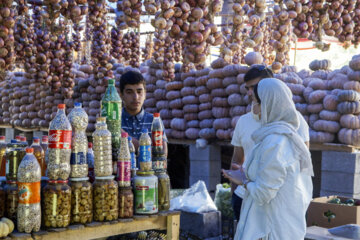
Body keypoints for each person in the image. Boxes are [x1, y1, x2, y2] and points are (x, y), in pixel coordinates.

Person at [223, 78, 313, 239]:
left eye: (257, 102)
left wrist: (243, 180)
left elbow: (264, 194)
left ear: (269, 104)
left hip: (270, 229)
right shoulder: (284, 135)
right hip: (280, 226)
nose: (254, 108)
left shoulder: (275, 143)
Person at [119, 70, 168, 156]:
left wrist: (121, 134)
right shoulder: (115, 120)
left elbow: (162, 155)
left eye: (139, 91)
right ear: (121, 95)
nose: (135, 97)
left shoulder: (154, 121)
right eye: (129, 92)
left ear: (145, 94)